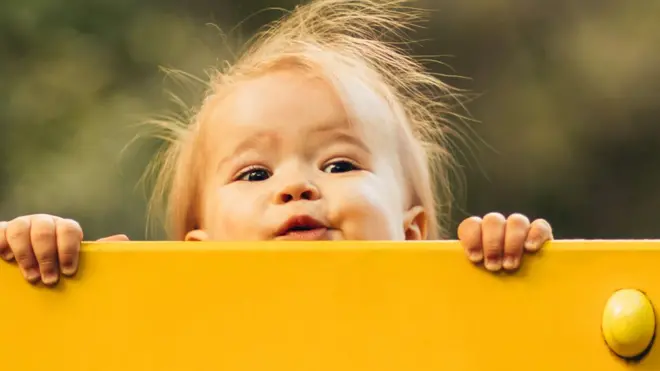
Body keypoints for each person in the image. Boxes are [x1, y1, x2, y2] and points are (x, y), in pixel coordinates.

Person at [0, 0, 552, 286]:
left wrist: (513, 272)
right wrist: (43, 263)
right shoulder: (172, 336)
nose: (295, 186)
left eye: (339, 163)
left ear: (413, 232)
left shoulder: (445, 321)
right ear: (198, 252)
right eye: (255, 174)